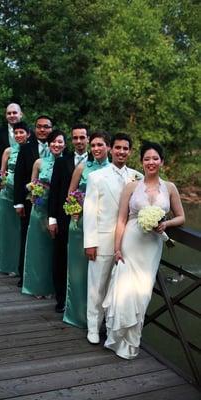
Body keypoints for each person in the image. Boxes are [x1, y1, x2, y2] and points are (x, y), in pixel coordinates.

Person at [103, 141, 185, 359]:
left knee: (142, 293)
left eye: (155, 158)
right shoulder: (131, 187)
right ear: (141, 162)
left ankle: (131, 342)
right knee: (124, 289)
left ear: (162, 162)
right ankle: (117, 338)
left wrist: (166, 224)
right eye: (147, 159)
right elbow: (121, 220)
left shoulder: (170, 187)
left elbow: (181, 216)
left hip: (151, 247)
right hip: (130, 242)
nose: (151, 162)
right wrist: (117, 248)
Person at [83, 132, 143, 344]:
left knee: (119, 290)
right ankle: (93, 327)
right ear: (110, 149)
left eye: (125, 148)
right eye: (117, 148)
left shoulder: (138, 177)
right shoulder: (96, 177)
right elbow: (90, 212)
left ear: (130, 151)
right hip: (103, 240)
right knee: (97, 286)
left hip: (130, 243)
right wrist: (90, 243)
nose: (121, 152)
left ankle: (112, 328)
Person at [63, 131, 111, 328]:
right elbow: (70, 195)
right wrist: (74, 210)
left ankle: (99, 320)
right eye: (94, 145)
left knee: (101, 276)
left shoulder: (114, 171)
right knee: (78, 272)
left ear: (108, 147)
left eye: (101, 145)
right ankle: (77, 315)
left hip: (104, 229)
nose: (97, 149)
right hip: (80, 226)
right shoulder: (82, 167)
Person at [48, 124, 89, 313]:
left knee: (81, 262)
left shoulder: (95, 161)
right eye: (76, 138)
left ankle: (81, 301)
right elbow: (55, 192)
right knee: (61, 259)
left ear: (88, 139)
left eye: (82, 137)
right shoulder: (62, 161)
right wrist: (52, 219)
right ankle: (61, 298)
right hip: (64, 220)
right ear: (72, 140)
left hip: (88, 223)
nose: (79, 141)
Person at [22, 130, 66, 297]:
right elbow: (32, 184)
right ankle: (37, 286)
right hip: (39, 208)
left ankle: (53, 287)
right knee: (38, 248)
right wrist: (33, 193)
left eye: (60, 142)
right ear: (48, 144)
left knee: (53, 250)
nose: (56, 145)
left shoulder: (67, 163)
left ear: (65, 145)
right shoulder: (39, 163)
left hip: (56, 211)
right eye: (53, 142)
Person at [14, 115, 53, 287]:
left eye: (46, 126)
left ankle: (48, 277)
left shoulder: (59, 148)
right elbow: (19, 176)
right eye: (39, 126)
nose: (43, 130)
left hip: (51, 204)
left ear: (51, 128)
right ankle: (25, 275)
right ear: (34, 129)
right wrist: (19, 202)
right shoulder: (26, 148)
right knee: (27, 237)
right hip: (30, 201)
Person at [0, 103, 23, 256]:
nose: (12, 115)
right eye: (9, 113)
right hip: (2, 186)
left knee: (19, 224)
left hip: (22, 186)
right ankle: (0, 254)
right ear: (5, 115)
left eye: (15, 112)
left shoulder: (29, 133)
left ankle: (18, 255)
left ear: (21, 114)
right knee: (2, 221)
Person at [0, 121, 30, 275]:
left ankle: (18, 265)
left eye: (21, 132)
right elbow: (2, 172)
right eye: (16, 133)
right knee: (5, 230)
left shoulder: (31, 150)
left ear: (28, 134)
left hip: (21, 194)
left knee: (18, 231)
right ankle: (5, 264)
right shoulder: (8, 151)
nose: (18, 135)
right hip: (6, 194)